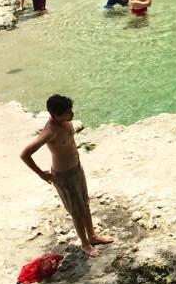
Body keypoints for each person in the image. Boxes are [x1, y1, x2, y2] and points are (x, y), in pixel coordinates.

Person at [19, 94, 113, 258]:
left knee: (85, 204)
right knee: (76, 212)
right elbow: (25, 154)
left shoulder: (67, 122)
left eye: (71, 110)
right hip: (63, 175)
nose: (72, 115)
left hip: (76, 168)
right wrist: (41, 174)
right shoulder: (49, 132)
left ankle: (92, 236)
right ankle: (85, 244)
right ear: (54, 115)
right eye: (67, 112)